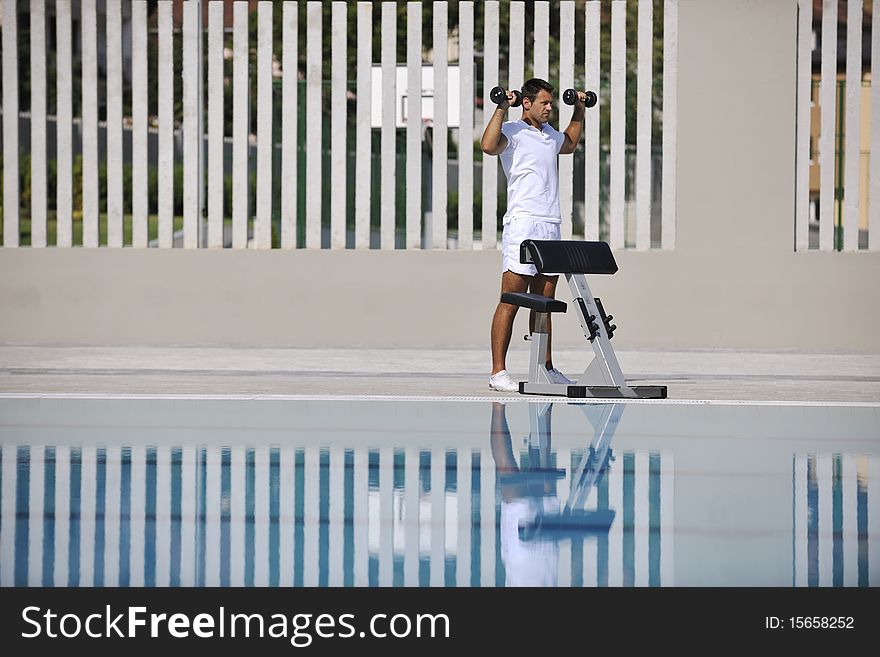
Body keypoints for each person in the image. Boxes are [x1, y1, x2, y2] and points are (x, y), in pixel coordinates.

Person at [481, 78, 587, 392]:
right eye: (544, 103)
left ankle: (545, 367)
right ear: (527, 103)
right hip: (523, 224)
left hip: (549, 225)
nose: (549, 108)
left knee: (544, 302)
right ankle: (498, 371)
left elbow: (568, 144)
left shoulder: (549, 134)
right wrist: (502, 106)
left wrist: (579, 110)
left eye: (552, 103)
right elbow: (487, 146)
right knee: (511, 299)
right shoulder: (512, 132)